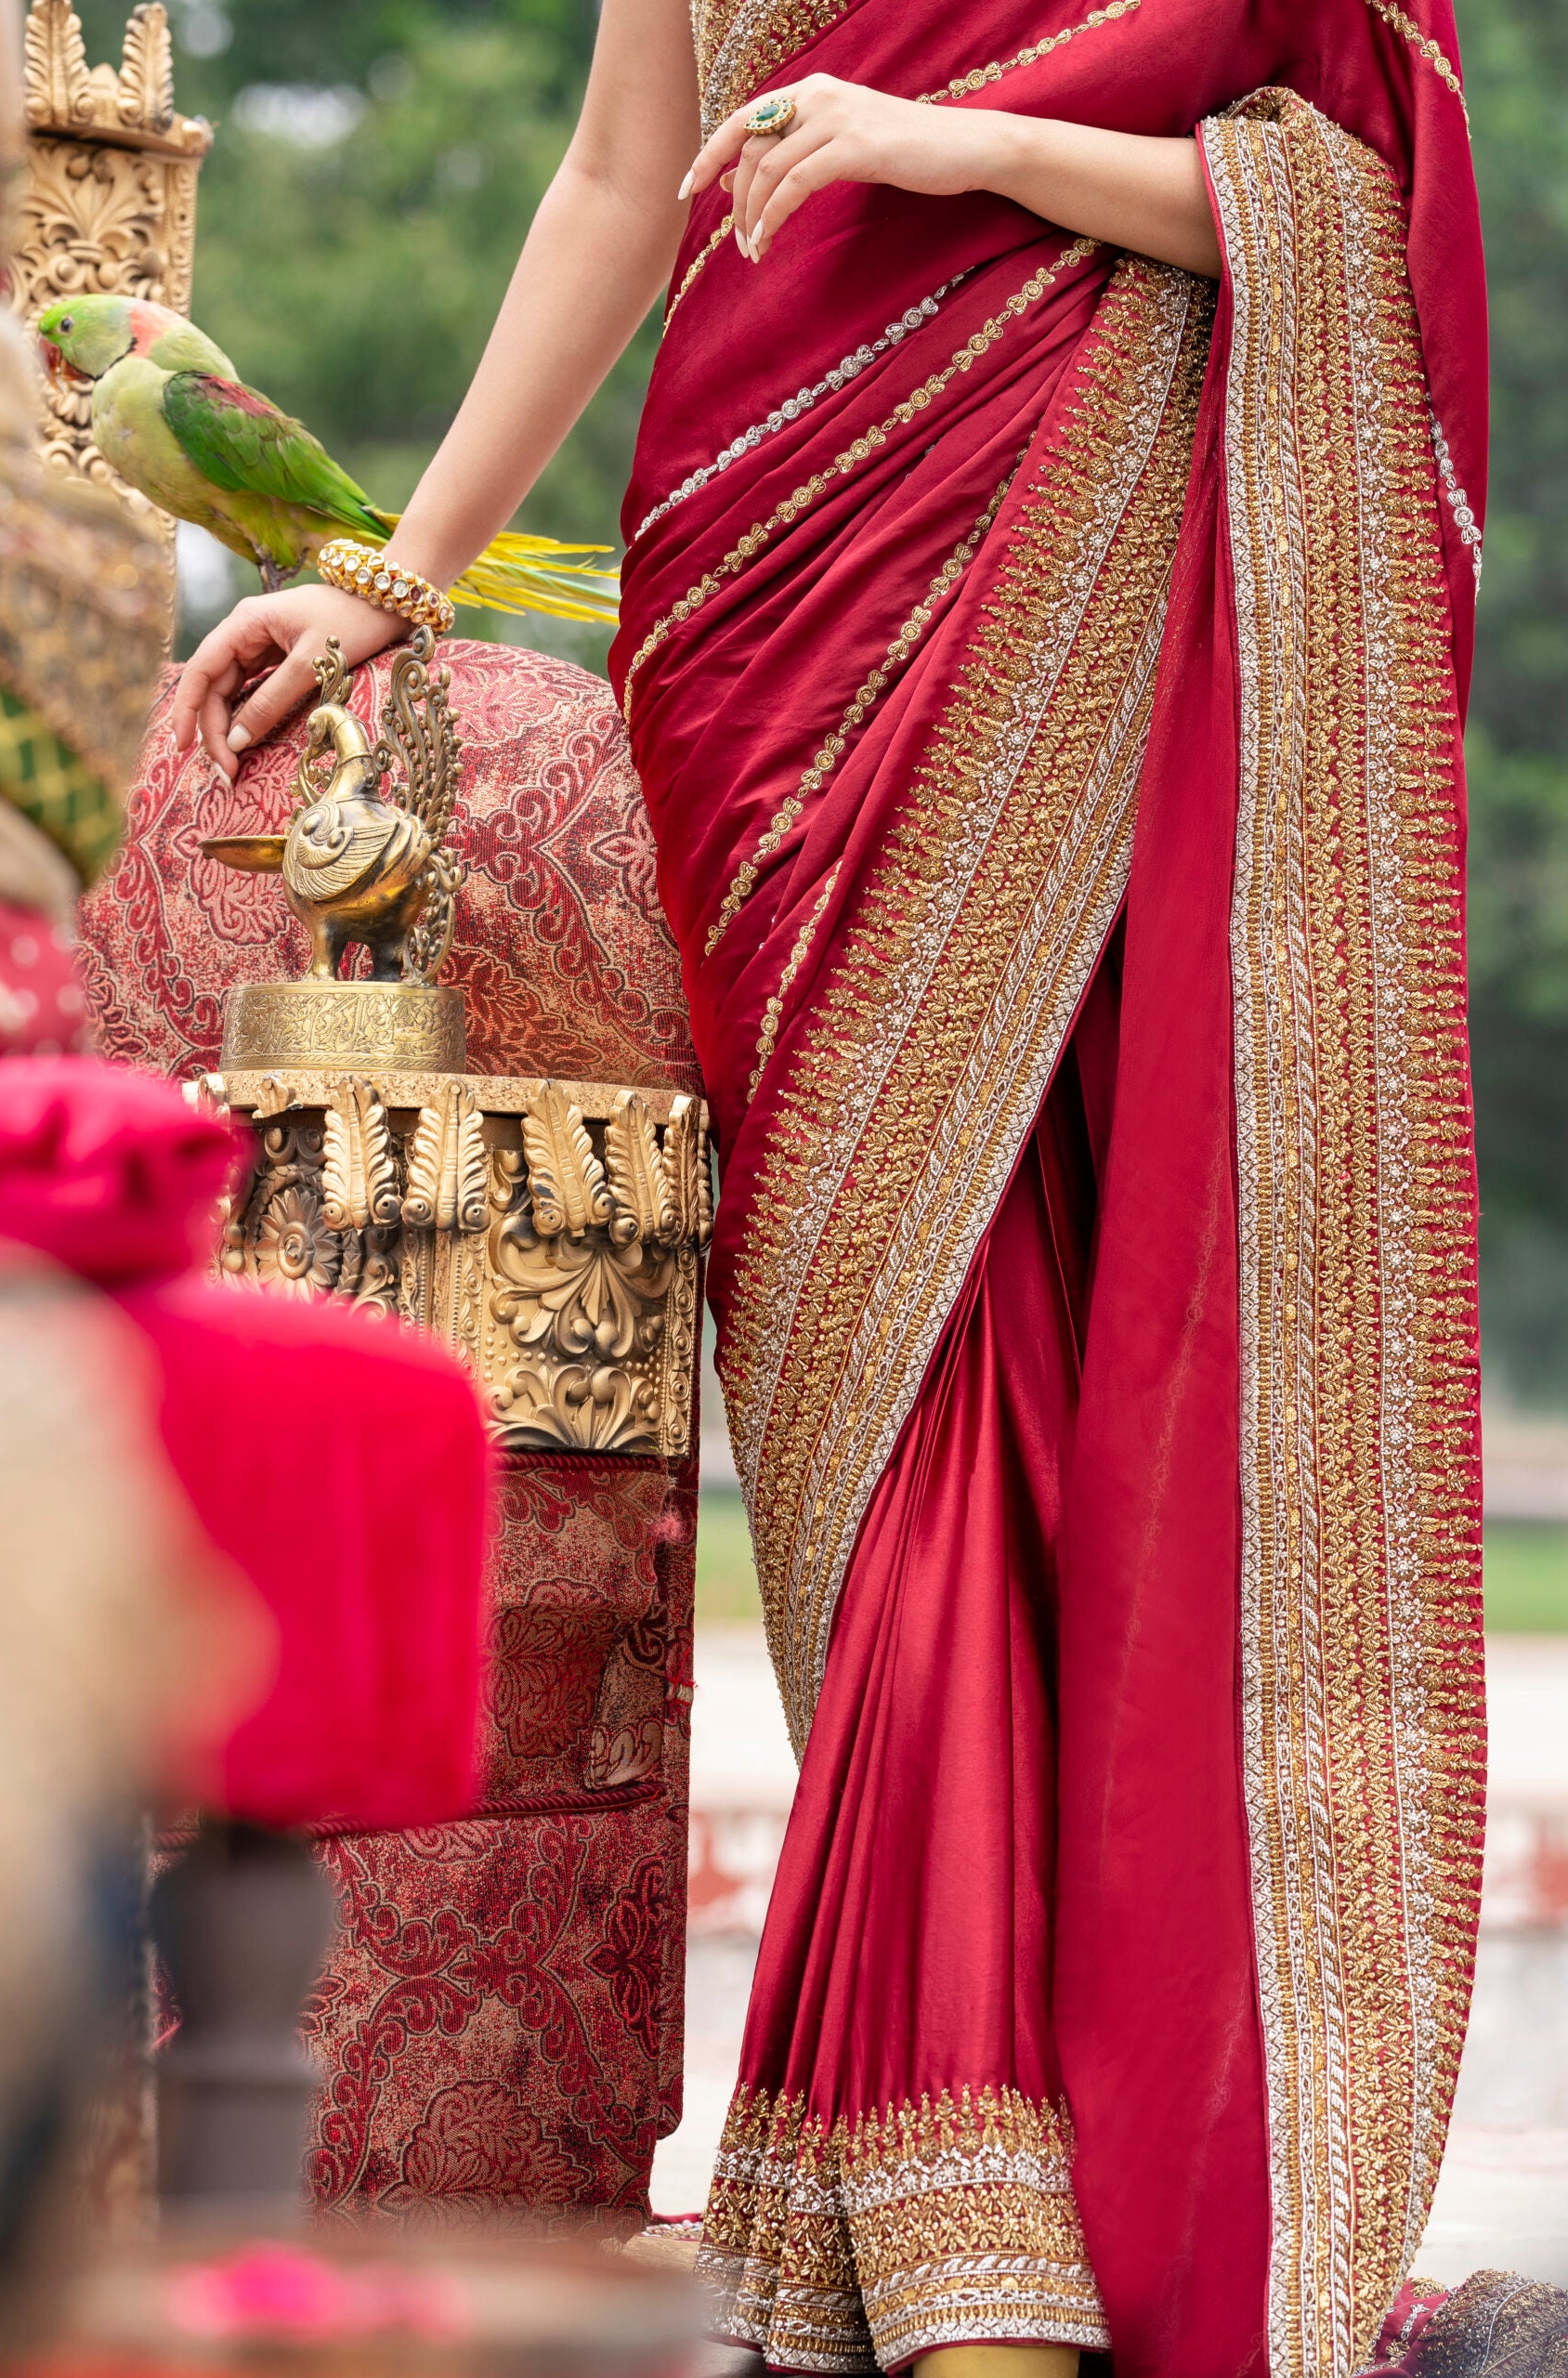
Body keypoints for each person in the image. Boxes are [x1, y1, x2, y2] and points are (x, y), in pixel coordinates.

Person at [172, 6, 1487, 2374]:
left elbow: (1339, 223)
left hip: (1083, 567)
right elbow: (610, 184)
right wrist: (394, 566)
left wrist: (951, 142)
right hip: (762, 624)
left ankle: (1046, 2163)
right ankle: (933, 2162)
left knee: (1073, 1330)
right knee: (876, 1373)